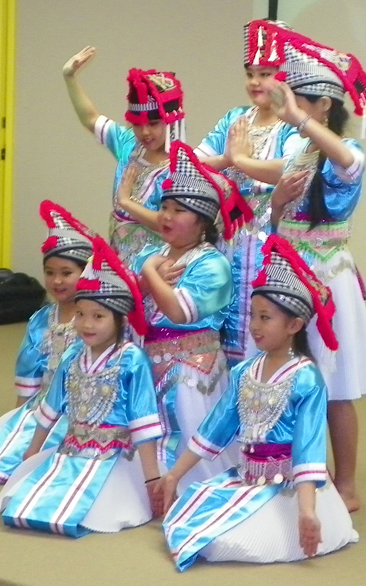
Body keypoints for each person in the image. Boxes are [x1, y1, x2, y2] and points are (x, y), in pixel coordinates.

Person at [157, 234, 358, 571]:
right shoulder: (247, 371)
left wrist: (307, 511)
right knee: (189, 515)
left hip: (292, 489)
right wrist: (174, 475)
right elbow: (216, 429)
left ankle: (310, 518)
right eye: (253, 316)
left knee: (228, 543)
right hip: (248, 477)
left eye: (266, 318)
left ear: (294, 325)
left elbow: (309, 447)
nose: (254, 326)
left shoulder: (307, 378)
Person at [261, 24, 366, 512]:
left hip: (327, 276)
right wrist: (276, 204)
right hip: (288, 270)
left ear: (322, 106)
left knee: (336, 385)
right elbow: (275, 220)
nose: (290, 111)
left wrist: (299, 121)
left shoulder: (345, 153)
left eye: (299, 102)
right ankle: (288, 468)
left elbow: (348, 161)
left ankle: (346, 483)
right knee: (282, 375)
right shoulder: (294, 151)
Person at [0, 236, 163, 537]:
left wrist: (152, 480)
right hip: (71, 448)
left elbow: (143, 421)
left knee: (93, 511)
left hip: (114, 456)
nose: (86, 324)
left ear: (120, 318)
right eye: (82, 314)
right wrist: (31, 453)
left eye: (98, 316)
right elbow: (51, 407)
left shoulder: (131, 359)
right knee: (23, 508)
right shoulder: (73, 354)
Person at [130, 141, 253, 491]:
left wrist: (150, 273)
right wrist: (145, 276)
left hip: (191, 367)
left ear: (201, 222)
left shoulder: (211, 264)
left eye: (178, 210)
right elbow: (125, 304)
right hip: (148, 362)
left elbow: (177, 311)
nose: (166, 216)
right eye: (164, 207)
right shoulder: (154, 252)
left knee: (191, 431)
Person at [0, 201, 94, 486]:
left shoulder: (94, 319)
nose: (56, 281)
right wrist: (16, 418)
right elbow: (30, 375)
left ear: (86, 273)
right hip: (42, 407)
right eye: (50, 272)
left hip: (84, 409)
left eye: (67, 273)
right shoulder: (42, 319)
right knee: (7, 448)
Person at [194, 19, 302, 366]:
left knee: (266, 320)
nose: (256, 82)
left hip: (272, 239)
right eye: (250, 73)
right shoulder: (236, 118)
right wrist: (228, 158)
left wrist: (238, 160)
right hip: (229, 238)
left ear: (285, 75)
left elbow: (293, 167)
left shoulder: (293, 122)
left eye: (266, 73)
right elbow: (194, 162)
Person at [63, 46, 185, 266]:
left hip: (156, 265)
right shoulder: (129, 144)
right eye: (138, 124)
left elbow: (170, 225)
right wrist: (69, 77)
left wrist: (126, 202)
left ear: (171, 119)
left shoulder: (180, 167)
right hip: (120, 257)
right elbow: (91, 118)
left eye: (154, 123)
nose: (145, 132)